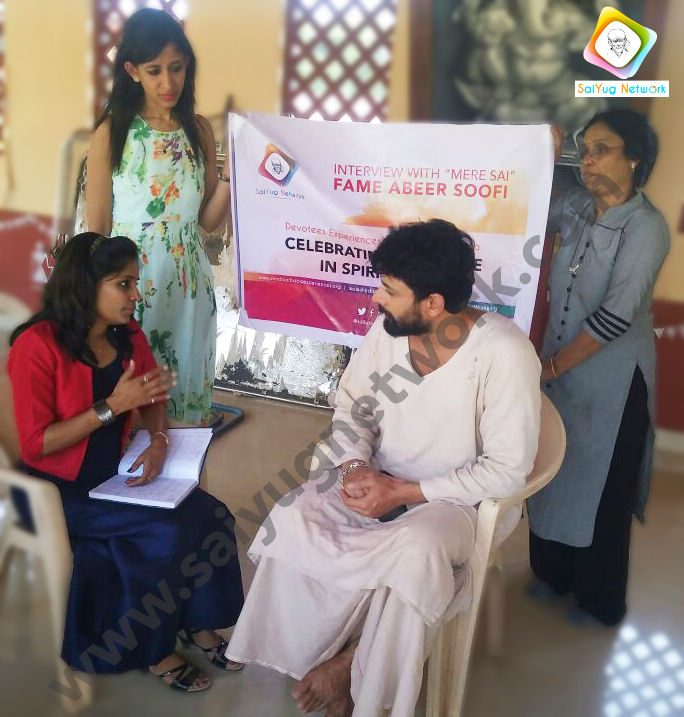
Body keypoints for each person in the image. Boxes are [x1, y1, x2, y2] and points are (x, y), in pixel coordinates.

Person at [225, 220, 541, 717]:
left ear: (433, 303)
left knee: (415, 554)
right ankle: (319, 657)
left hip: (456, 502)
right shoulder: (389, 331)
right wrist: (355, 466)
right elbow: (353, 409)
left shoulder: (504, 352)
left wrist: (404, 493)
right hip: (378, 476)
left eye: (390, 290)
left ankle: (352, 670)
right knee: (294, 516)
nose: (377, 298)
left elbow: (506, 471)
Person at [8, 232, 243, 691]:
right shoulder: (37, 345)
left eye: (135, 283)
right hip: (62, 491)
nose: (136, 295)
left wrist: (158, 440)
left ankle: (196, 622)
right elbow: (36, 444)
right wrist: (113, 407)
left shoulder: (126, 334)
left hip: (118, 475)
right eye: (123, 284)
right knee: (164, 533)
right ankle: (153, 649)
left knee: (213, 516)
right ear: (84, 284)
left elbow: (152, 395)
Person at [527, 110, 670, 626]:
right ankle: (553, 575)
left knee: (602, 484)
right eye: (584, 150)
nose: (587, 160)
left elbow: (614, 317)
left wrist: (550, 367)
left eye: (601, 150)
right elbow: (528, 203)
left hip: (611, 380)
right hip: (559, 368)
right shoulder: (576, 208)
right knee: (553, 469)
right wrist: (542, 153)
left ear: (635, 159)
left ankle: (600, 599)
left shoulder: (646, 227)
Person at [86, 8, 231, 425]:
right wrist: (100, 297)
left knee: (184, 411)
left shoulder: (199, 131)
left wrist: (229, 178)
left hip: (189, 286)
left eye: (176, 68)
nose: (168, 83)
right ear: (132, 71)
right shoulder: (112, 132)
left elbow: (208, 222)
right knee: (133, 405)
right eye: (154, 71)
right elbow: (97, 229)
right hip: (131, 285)